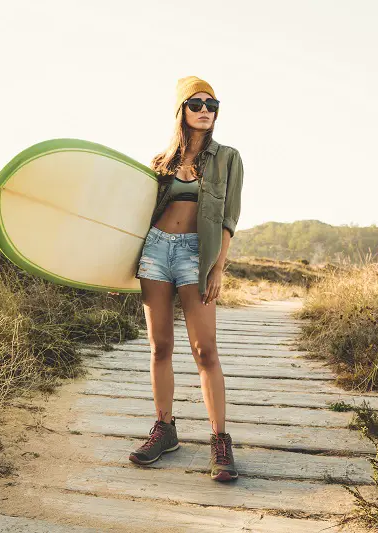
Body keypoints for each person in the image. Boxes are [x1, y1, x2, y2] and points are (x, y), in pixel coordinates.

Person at [128, 76, 244, 482]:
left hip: (198, 254)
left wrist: (217, 267)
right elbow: (133, 217)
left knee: (204, 349)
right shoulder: (160, 162)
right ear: (181, 110)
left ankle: (219, 439)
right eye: (196, 103)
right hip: (156, 250)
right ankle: (165, 429)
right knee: (160, 346)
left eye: (212, 104)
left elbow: (229, 218)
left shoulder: (228, 158)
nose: (205, 110)